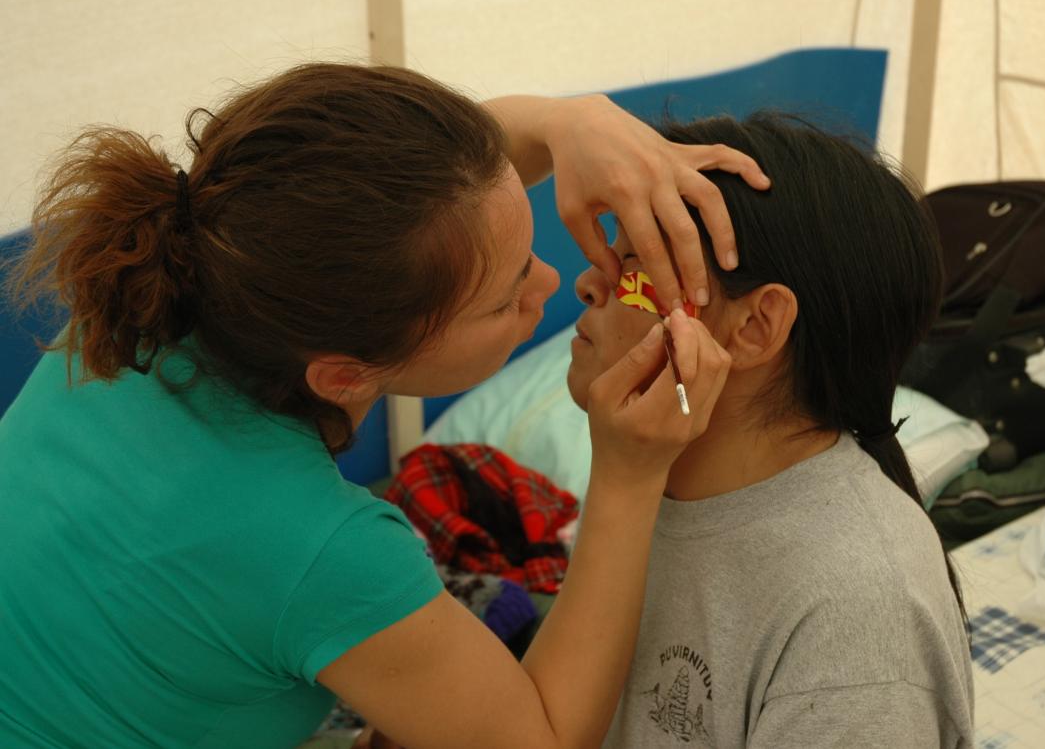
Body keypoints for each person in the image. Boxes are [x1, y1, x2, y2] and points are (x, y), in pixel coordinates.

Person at [0, 63, 768, 748]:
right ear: (345, 375)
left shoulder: (146, 301)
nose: (555, 284)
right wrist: (627, 476)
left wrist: (564, 122)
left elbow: (426, 195)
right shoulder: (321, 546)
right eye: (506, 299)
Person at [566, 112, 975, 748]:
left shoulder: (857, 612)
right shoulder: (641, 481)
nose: (589, 284)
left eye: (635, 263)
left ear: (756, 327)